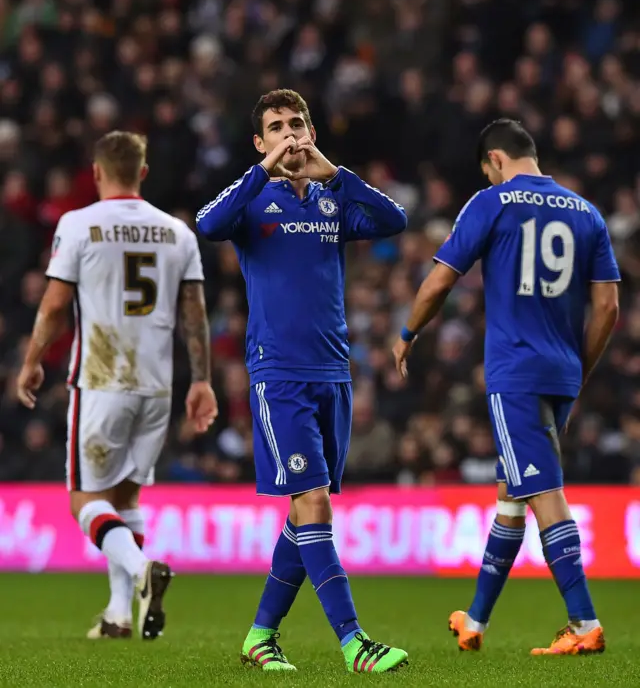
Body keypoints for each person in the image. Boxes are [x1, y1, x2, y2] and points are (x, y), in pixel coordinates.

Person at [196, 89, 408, 673]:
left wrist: (335, 173)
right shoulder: (252, 202)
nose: (291, 135)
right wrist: (261, 170)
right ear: (260, 142)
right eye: (277, 128)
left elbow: (395, 220)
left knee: (303, 511)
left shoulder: (330, 201)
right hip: (278, 376)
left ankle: (260, 637)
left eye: (298, 124)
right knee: (312, 500)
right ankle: (354, 642)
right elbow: (208, 223)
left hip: (332, 373)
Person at [392, 119, 620, 656]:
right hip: (563, 371)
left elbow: (442, 278)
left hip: (515, 371)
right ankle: (475, 619)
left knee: (542, 490)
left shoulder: (491, 202)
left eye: (487, 172)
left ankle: (584, 623)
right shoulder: (586, 212)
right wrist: (578, 371)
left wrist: (407, 333)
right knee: (511, 493)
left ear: (495, 160)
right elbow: (608, 306)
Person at [17, 131, 218, 640]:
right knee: (126, 497)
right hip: (157, 387)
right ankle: (118, 613)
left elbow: (56, 304)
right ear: (143, 173)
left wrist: (33, 359)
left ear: (98, 172)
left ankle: (138, 568)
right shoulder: (178, 233)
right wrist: (203, 380)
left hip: (102, 380)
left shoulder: (79, 225)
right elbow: (194, 314)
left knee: (84, 500)